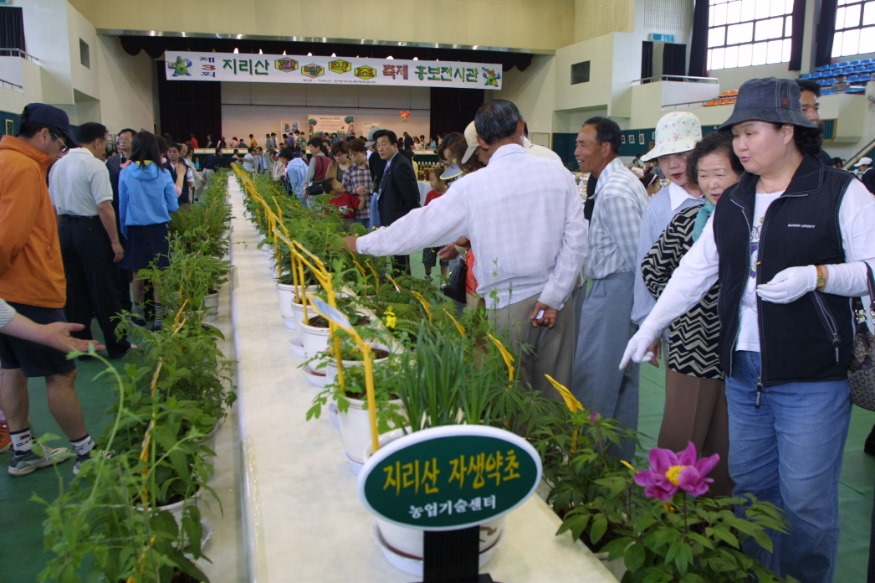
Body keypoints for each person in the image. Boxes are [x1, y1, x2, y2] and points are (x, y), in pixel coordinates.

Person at [621, 77, 875, 583]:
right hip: (742, 373)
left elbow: (871, 268)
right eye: (735, 134)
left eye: (750, 132)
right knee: (751, 492)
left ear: (787, 131)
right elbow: (695, 271)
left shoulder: (840, 192)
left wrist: (818, 276)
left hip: (812, 375)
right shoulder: (736, 201)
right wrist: (651, 326)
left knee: (805, 502)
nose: (739, 144)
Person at [343, 100, 586, 396]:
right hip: (558, 303)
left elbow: (420, 226)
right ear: (521, 126)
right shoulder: (558, 173)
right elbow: (576, 241)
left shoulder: (473, 186)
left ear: (481, 140)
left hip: (507, 305)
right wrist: (554, 296)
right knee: (555, 396)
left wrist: (361, 243)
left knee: (508, 398)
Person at [640, 133, 744, 497]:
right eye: (704, 175)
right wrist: (683, 308)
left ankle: (715, 520)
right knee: (681, 437)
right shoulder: (688, 219)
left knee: (725, 445)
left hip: (737, 354)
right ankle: (667, 512)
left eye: (721, 174)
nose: (713, 184)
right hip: (693, 349)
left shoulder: (754, 221)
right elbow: (653, 269)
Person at [0, 102, 101, 477]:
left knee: (11, 369)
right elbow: (9, 237)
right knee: (62, 374)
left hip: (7, 294)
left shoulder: (6, 160)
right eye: (60, 142)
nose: (62, 150)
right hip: (29, 289)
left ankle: (23, 450)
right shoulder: (24, 168)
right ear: (44, 134)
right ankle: (86, 455)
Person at [572, 116, 648, 461]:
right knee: (621, 382)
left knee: (595, 380)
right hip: (617, 289)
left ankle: (591, 463)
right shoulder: (616, 180)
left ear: (605, 148)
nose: (577, 151)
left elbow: (636, 257)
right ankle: (616, 462)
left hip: (615, 291)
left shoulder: (615, 191)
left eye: (583, 144)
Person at [48, 121, 132, 360]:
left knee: (75, 291)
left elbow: (52, 207)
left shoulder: (58, 165)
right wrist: (115, 241)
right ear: (97, 142)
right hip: (91, 230)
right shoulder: (95, 165)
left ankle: (82, 346)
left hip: (65, 229)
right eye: (104, 142)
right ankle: (117, 345)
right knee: (104, 289)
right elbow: (104, 207)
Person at [632, 112, 703, 328]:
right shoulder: (657, 208)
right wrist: (646, 320)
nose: (672, 165)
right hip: (677, 319)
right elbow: (645, 265)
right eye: (664, 157)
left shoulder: (725, 197)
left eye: (682, 154)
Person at [118, 130, 179, 331]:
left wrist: (125, 231)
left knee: (138, 273)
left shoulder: (126, 173)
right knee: (159, 274)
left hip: (135, 229)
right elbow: (173, 205)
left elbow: (122, 207)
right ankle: (159, 318)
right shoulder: (163, 173)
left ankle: (139, 313)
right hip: (158, 230)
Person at [370, 129, 421, 273]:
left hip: (399, 221)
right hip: (391, 220)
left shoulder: (401, 164)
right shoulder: (390, 163)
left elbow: (411, 197)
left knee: (400, 262)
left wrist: (409, 221)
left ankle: (402, 285)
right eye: (378, 145)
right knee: (396, 260)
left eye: (383, 144)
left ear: (394, 145)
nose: (380, 149)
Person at [422, 166, 450, 282]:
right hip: (431, 230)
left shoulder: (450, 194)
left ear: (442, 180)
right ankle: (428, 274)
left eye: (432, 179)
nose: (430, 182)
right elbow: (426, 209)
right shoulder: (430, 194)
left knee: (445, 257)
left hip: (445, 231)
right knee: (428, 255)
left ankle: (444, 280)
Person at [342, 138, 372, 228]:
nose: (353, 158)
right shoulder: (349, 170)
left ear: (362, 152)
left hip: (372, 211)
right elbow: (344, 188)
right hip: (356, 213)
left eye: (355, 154)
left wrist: (367, 190)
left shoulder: (372, 167)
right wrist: (356, 190)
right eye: (350, 155)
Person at [166, 142, 194, 206]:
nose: (171, 154)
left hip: (182, 200)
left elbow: (190, 183)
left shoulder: (186, 167)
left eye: (174, 152)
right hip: (167, 200)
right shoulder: (162, 167)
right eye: (169, 151)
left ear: (179, 153)